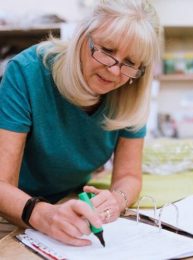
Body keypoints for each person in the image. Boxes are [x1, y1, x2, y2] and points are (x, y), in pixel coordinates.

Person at [0, 0, 160, 246]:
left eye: (130, 64)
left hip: (68, 200)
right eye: (107, 50)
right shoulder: (27, 72)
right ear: (82, 36)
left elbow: (129, 175)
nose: (115, 71)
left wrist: (117, 199)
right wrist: (42, 214)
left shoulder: (130, 93)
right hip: (13, 209)